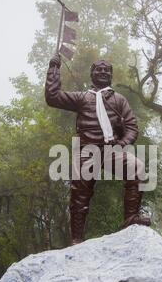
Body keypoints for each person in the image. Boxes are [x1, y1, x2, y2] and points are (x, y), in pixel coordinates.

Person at [45, 53, 150, 245]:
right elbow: (53, 97)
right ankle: (76, 239)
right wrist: (54, 68)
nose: (102, 72)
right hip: (86, 150)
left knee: (137, 169)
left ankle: (130, 219)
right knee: (79, 192)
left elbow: (132, 127)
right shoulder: (81, 98)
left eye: (106, 70)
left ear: (111, 75)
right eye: (98, 69)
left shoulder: (119, 100)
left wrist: (123, 143)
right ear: (91, 74)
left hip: (112, 151)